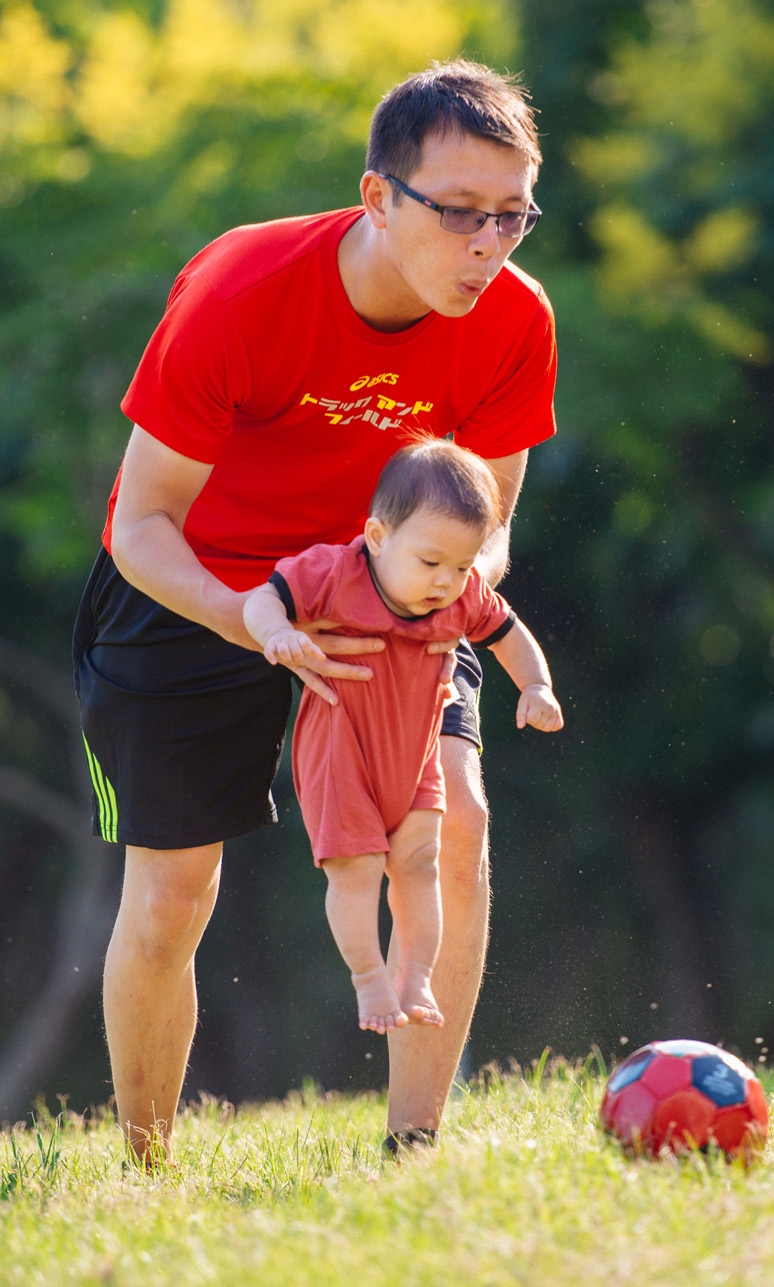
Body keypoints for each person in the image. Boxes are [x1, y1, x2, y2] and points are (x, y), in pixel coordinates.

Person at [74, 59, 555, 1164]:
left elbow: (488, 527)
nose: (488, 247)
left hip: (389, 582)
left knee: (459, 827)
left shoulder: (514, 322)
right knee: (172, 893)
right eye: (460, 215)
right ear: (378, 195)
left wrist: (414, 597)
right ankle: (146, 1170)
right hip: (193, 582)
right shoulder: (244, 290)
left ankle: (413, 1144)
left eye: (513, 217)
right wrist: (252, 618)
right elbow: (138, 523)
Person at [245, 442, 562, 1036]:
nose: (446, 582)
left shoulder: (461, 597)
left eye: (462, 567)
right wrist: (275, 635)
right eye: (430, 562)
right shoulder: (333, 573)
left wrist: (536, 687)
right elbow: (264, 599)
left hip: (416, 757)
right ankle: (369, 979)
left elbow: (509, 632)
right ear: (377, 535)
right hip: (343, 754)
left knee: (420, 865)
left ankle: (414, 974)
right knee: (357, 869)